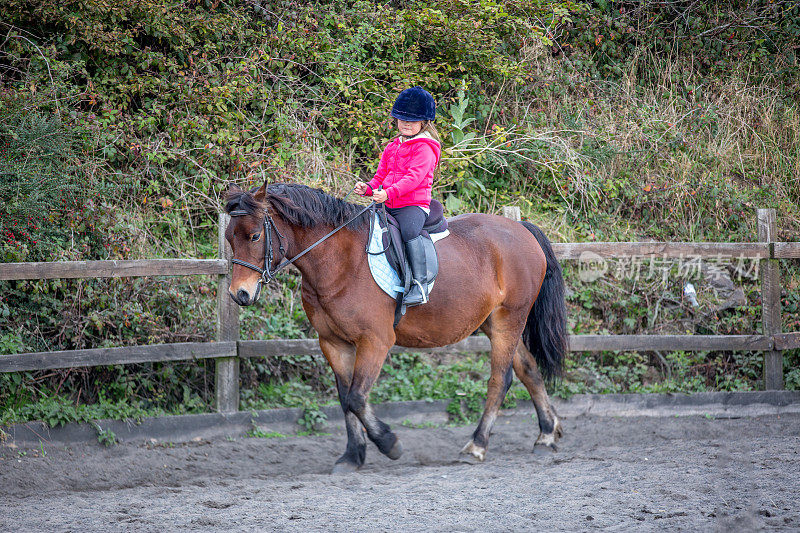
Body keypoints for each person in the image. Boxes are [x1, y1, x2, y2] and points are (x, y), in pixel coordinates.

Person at [354, 86, 442, 305]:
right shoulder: (392, 146)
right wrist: (367, 188)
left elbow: (414, 179)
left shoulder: (425, 148)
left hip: (412, 204)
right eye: (402, 119)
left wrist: (387, 193)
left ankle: (420, 285)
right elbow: (380, 176)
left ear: (424, 122)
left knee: (410, 231)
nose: (405, 124)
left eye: (411, 121)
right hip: (388, 200)